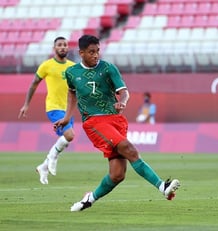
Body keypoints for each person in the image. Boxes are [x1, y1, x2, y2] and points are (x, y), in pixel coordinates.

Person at [54, 35, 180, 212]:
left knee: (117, 175)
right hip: (94, 121)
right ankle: (162, 187)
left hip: (115, 120)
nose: (96, 55)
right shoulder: (72, 73)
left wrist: (123, 102)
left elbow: (124, 92)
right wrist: (67, 117)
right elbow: (72, 93)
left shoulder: (108, 68)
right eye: (91, 52)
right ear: (81, 53)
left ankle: (89, 199)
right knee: (129, 149)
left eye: (98, 51)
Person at [18, 36, 75, 185]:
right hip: (53, 107)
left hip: (68, 109)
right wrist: (26, 105)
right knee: (70, 135)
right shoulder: (46, 66)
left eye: (65, 45)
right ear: (54, 48)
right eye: (59, 45)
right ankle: (52, 157)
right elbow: (33, 84)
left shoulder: (73, 67)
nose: (63, 47)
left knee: (66, 140)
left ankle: (43, 166)